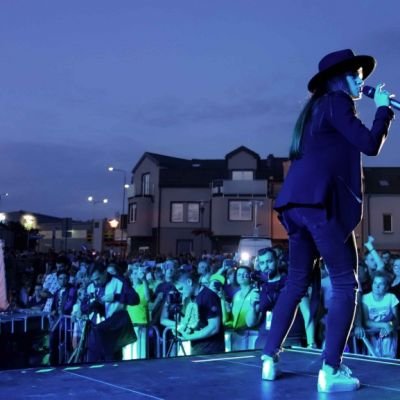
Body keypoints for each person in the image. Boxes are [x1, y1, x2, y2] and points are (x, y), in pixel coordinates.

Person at [260, 49, 395, 393]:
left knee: (296, 282)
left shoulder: (315, 110)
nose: (361, 80)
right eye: (356, 75)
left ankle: (269, 358)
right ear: (338, 79)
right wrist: (383, 109)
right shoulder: (337, 102)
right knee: (346, 284)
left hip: (296, 204)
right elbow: (369, 144)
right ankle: (331, 369)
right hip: (321, 205)